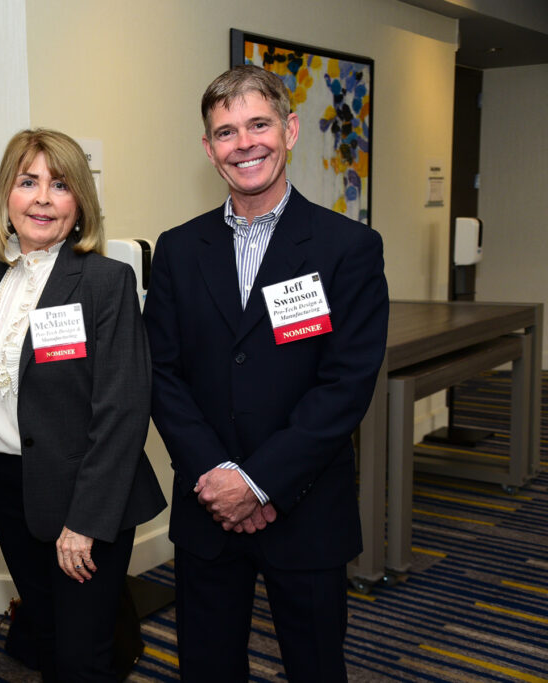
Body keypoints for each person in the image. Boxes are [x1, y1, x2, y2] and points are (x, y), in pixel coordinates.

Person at [143, 65, 389, 682]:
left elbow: (345, 385)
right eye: (226, 132)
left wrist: (258, 483)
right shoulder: (177, 248)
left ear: (290, 130)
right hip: (207, 507)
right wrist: (220, 478)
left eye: (259, 124)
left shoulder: (347, 247)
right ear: (209, 149)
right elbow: (162, 373)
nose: (244, 143)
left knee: (314, 668)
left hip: (306, 508)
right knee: (207, 667)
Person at [0, 128, 166, 681]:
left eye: (61, 185)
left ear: (80, 204)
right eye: (28, 182)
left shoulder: (105, 281)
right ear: (7, 195)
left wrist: (84, 523)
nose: (43, 199)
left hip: (84, 496)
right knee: (46, 638)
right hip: (11, 492)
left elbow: (122, 409)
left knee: (81, 656)